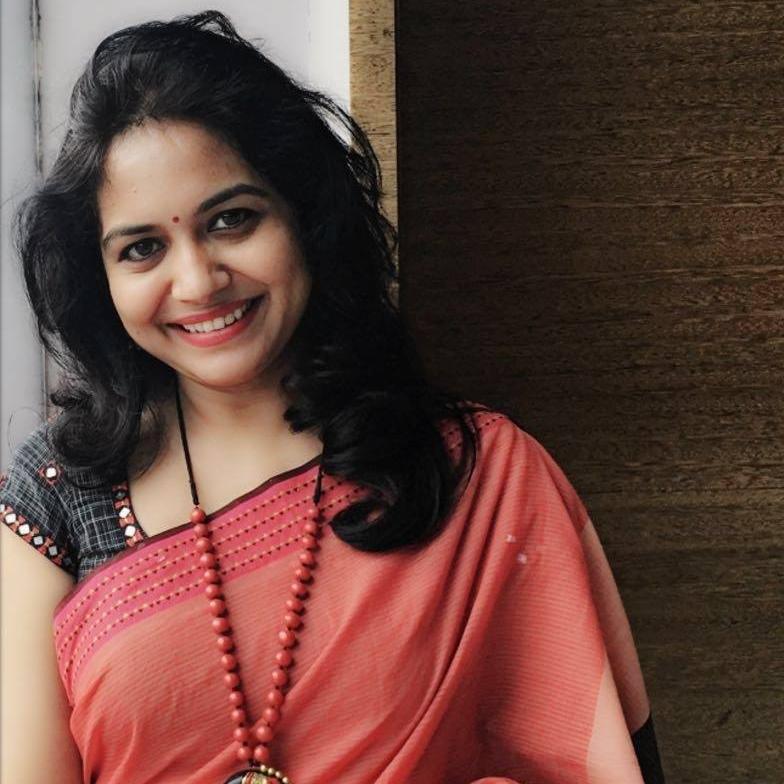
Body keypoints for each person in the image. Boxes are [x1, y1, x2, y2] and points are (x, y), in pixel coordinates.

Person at [0, 11, 665, 784]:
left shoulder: (474, 475)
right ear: (100, 277)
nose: (198, 282)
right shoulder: (60, 490)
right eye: (142, 248)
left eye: (233, 220)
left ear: (305, 220)